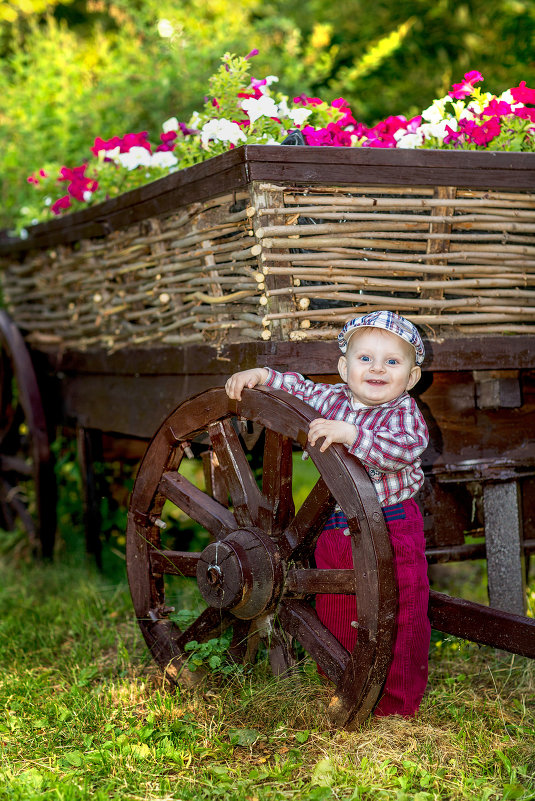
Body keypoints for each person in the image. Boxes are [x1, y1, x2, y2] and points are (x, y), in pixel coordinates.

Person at [225, 310, 430, 717]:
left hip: (393, 525)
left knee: (402, 612)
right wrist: (263, 377)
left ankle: (397, 708)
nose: (377, 369)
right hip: (336, 527)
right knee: (336, 606)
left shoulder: (404, 413)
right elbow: (298, 389)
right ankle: (342, 686)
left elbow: (405, 448)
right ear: (344, 367)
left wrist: (353, 436)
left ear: (411, 377)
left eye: (392, 362)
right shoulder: (332, 399)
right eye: (365, 359)